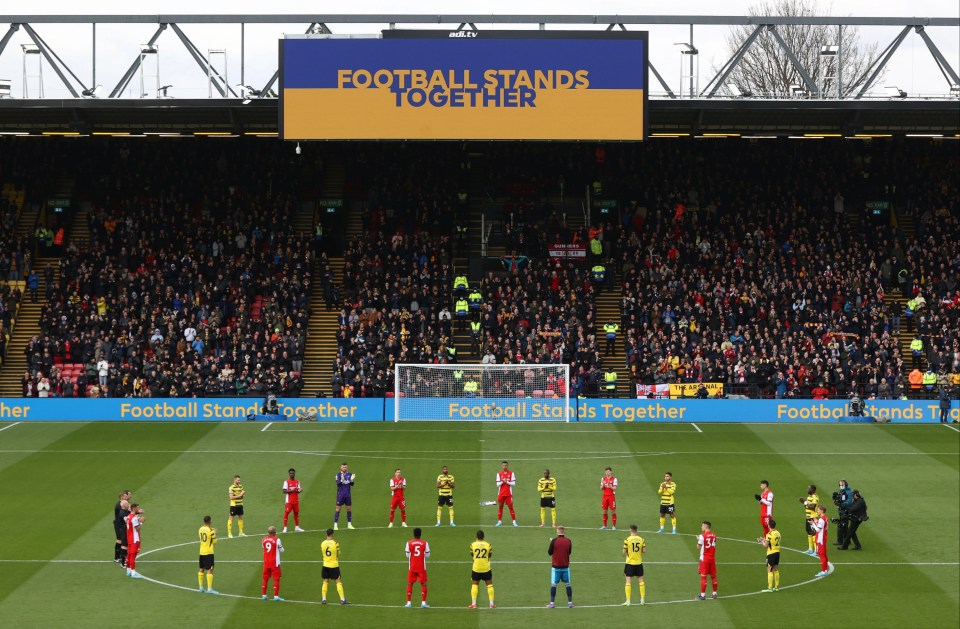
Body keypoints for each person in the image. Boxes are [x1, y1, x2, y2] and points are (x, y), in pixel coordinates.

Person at [320, 528, 350, 604]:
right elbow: (338, 553)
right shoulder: (335, 543)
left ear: (326, 534)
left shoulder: (322, 543)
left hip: (325, 565)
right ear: (332, 534)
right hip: (334, 566)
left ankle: (323, 599)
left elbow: (323, 553)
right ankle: (342, 600)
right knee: (338, 582)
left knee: (325, 582)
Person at [547, 525, 573, 608]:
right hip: (565, 566)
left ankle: (552, 603)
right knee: (568, 584)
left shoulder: (554, 541)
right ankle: (570, 603)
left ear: (557, 531)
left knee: (554, 585)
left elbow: (549, 553)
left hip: (556, 566)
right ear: (563, 531)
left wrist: (551, 543)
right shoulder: (569, 541)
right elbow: (569, 552)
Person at [404, 527, 430, 608]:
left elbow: (407, 555)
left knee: (410, 583)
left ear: (413, 534)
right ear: (420, 534)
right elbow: (428, 555)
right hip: (421, 567)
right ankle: (423, 603)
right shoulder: (425, 543)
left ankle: (408, 603)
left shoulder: (409, 543)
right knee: (424, 584)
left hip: (412, 567)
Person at [468, 530, 495, 609]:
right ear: (483, 536)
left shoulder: (472, 545)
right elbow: (490, 555)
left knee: (474, 584)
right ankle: (491, 604)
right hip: (486, 568)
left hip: (476, 568)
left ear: (476, 536)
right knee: (489, 585)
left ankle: (473, 604)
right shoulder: (488, 545)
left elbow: (472, 554)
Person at [622, 524, 646, 606]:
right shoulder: (641, 539)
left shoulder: (627, 540)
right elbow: (644, 550)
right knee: (641, 580)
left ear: (630, 530)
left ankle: (628, 601)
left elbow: (624, 552)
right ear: (636, 530)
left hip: (630, 563)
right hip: (639, 563)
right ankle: (642, 599)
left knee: (628, 581)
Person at [261, 525, 285, 601]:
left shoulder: (263, 539)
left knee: (265, 578)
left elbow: (263, 547)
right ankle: (276, 596)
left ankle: (264, 595)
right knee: (276, 579)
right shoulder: (277, 540)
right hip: (275, 563)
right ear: (274, 532)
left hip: (266, 562)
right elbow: (282, 550)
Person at [696, 521, 718, 600]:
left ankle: (702, 595)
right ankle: (714, 594)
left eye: (702, 526)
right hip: (712, 558)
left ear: (705, 526)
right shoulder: (714, 535)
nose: (701, 527)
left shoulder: (702, 536)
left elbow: (698, 547)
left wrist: (698, 539)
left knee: (703, 576)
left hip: (704, 559)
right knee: (713, 576)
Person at [759, 518, 781, 592]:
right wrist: (764, 539)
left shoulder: (769, 534)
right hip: (777, 552)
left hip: (771, 553)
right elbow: (772, 542)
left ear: (769, 526)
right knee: (776, 569)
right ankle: (776, 587)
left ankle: (770, 588)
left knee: (769, 569)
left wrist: (762, 541)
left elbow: (766, 545)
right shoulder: (778, 533)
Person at [198, 515, 218, 594]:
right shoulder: (211, 531)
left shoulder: (200, 529)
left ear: (204, 522)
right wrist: (215, 533)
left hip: (201, 551)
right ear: (209, 521)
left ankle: (201, 587)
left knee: (201, 568)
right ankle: (209, 589)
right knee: (210, 569)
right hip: (209, 552)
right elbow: (214, 541)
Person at [810, 504, 830, 577]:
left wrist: (813, 524)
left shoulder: (822, 519)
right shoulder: (825, 518)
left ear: (822, 510)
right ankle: (825, 570)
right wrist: (816, 522)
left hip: (821, 539)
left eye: (818, 510)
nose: (817, 511)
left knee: (822, 555)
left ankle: (823, 571)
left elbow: (818, 529)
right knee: (824, 554)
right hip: (823, 537)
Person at [334, 462, 356, 530]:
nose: (344, 468)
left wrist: (352, 480)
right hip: (340, 495)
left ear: (347, 468)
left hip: (347, 495)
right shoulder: (338, 474)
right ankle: (335, 525)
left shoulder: (350, 474)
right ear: (341, 468)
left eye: (345, 467)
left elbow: (352, 484)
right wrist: (341, 480)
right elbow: (338, 484)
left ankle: (349, 524)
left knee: (349, 509)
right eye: (343, 467)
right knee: (338, 509)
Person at [799, 484, 820, 556]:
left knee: (813, 533)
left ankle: (816, 551)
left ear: (813, 490)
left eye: (809, 488)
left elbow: (813, 507)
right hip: (808, 517)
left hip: (813, 517)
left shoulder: (815, 497)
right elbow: (807, 506)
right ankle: (810, 549)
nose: (807, 490)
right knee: (809, 532)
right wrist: (803, 502)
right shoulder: (809, 497)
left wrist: (805, 502)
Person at [495, 460, 517, 527]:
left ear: (507, 466)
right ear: (502, 466)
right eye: (503, 465)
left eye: (506, 465)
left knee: (511, 507)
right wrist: (502, 481)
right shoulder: (499, 474)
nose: (505, 466)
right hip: (501, 494)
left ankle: (514, 521)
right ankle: (499, 521)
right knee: (500, 507)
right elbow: (497, 485)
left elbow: (513, 484)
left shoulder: (511, 473)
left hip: (508, 494)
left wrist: (507, 482)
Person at [125, 504, 144, 578]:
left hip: (129, 538)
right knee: (133, 556)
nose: (138, 509)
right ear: (134, 508)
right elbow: (137, 528)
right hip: (134, 539)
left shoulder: (128, 516)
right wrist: (141, 522)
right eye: (137, 508)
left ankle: (128, 571)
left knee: (129, 555)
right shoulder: (134, 518)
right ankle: (133, 573)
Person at [282, 468, 304, 533]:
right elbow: (284, 491)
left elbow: (297, 490)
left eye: (293, 473)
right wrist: (292, 490)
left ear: (294, 473)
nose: (292, 474)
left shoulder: (297, 482)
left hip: (296, 500)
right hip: (289, 501)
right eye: (290, 473)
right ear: (289, 474)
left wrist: (299, 490)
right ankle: (285, 528)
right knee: (287, 513)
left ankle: (297, 527)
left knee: (296, 513)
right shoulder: (286, 482)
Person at [113, 490, 131, 565]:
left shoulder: (122, 503)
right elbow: (125, 513)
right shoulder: (120, 505)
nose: (127, 496)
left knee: (121, 540)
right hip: (118, 525)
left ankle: (120, 556)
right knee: (120, 540)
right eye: (125, 495)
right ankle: (117, 557)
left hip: (120, 524)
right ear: (122, 497)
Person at [833, 480, 853, 545]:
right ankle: (846, 540)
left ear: (846, 485)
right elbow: (839, 500)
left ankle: (840, 541)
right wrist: (836, 502)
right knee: (844, 526)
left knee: (841, 525)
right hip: (841, 510)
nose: (841, 486)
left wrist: (841, 504)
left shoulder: (848, 492)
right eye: (840, 485)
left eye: (842, 485)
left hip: (845, 511)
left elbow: (849, 502)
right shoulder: (841, 491)